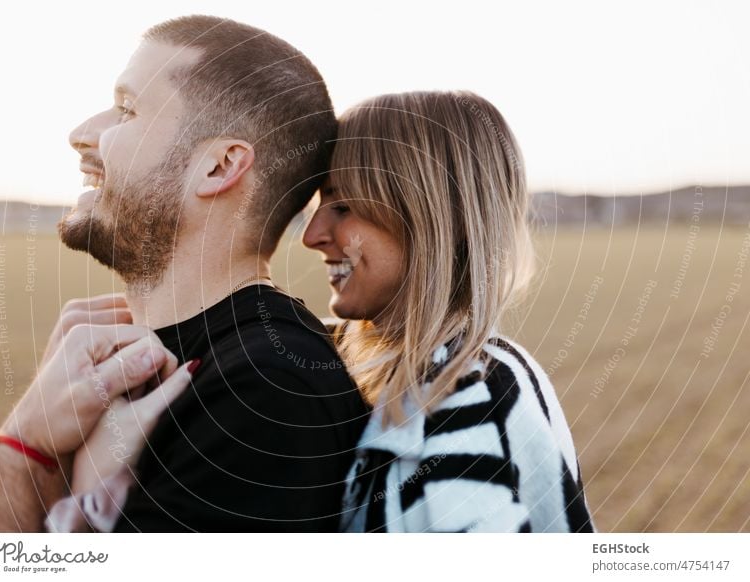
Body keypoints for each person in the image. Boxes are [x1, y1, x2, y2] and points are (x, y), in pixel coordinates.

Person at [69, 90, 595, 532]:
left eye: (344, 206)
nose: (315, 235)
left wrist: (81, 495)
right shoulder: (391, 365)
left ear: (430, 219)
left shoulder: (466, 410)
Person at [0, 15, 369, 532]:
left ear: (219, 167)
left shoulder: (265, 394)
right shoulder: (144, 361)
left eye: (126, 109)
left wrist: (19, 452)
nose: (81, 135)